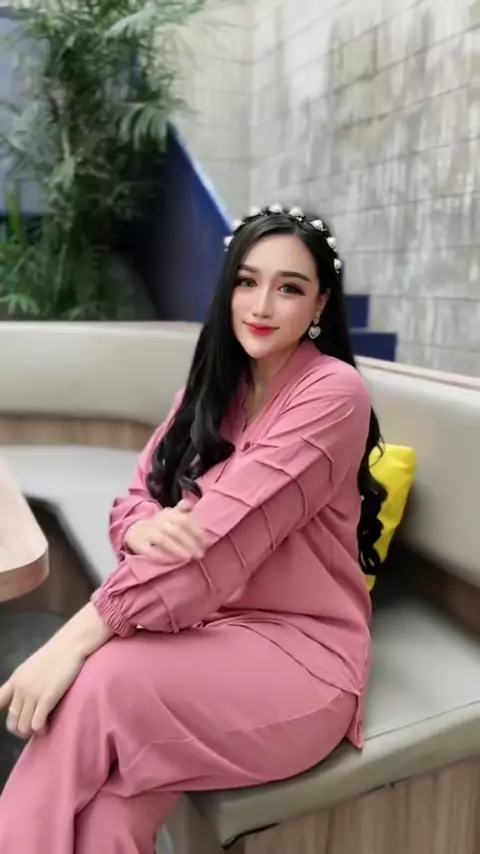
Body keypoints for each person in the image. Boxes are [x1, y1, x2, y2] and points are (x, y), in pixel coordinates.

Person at [0, 205, 386, 853]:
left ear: (320, 303)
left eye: (289, 288)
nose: (262, 305)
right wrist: (144, 528)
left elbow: (216, 543)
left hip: (301, 661)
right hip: (201, 636)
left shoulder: (333, 394)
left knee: (97, 684)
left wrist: (72, 639)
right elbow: (133, 501)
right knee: (106, 817)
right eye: (247, 281)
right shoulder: (212, 390)